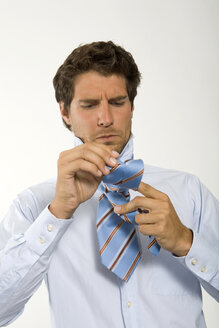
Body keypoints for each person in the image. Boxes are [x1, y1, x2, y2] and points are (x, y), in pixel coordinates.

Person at [0, 41, 218, 328]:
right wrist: (56, 214)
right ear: (65, 112)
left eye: (117, 102)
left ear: (132, 106)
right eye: (89, 105)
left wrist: (185, 242)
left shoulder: (189, 191)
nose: (106, 119)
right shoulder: (35, 205)